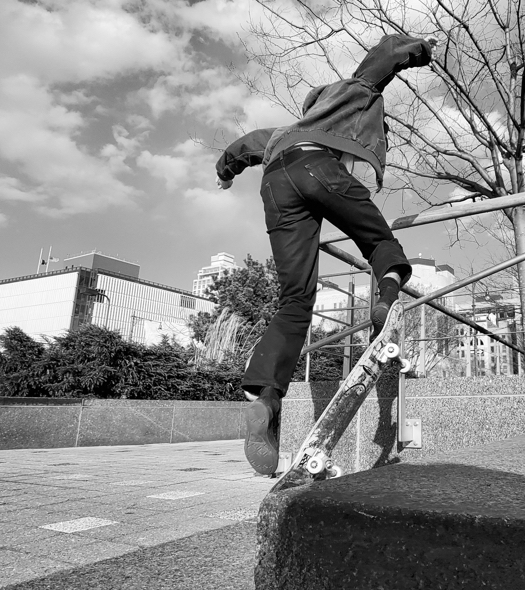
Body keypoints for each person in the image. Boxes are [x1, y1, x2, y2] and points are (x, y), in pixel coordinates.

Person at [215, 34, 436, 475]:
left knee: (295, 299)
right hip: (319, 168)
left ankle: (266, 397)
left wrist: (225, 173)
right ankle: (387, 293)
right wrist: (424, 49)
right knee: (377, 239)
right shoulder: (353, 90)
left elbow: (241, 148)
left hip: (276, 186)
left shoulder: (282, 130)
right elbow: (386, 54)